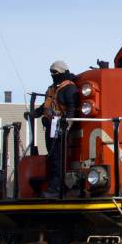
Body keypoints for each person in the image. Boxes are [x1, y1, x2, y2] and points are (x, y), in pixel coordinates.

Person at [32, 60, 78, 196]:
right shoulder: (52, 88)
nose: (53, 74)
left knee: (58, 157)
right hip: (50, 127)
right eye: (51, 72)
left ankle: (57, 187)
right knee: (52, 156)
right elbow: (47, 105)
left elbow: (72, 108)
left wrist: (67, 125)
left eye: (55, 72)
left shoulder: (69, 88)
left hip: (60, 127)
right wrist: (36, 113)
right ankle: (52, 184)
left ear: (63, 72)